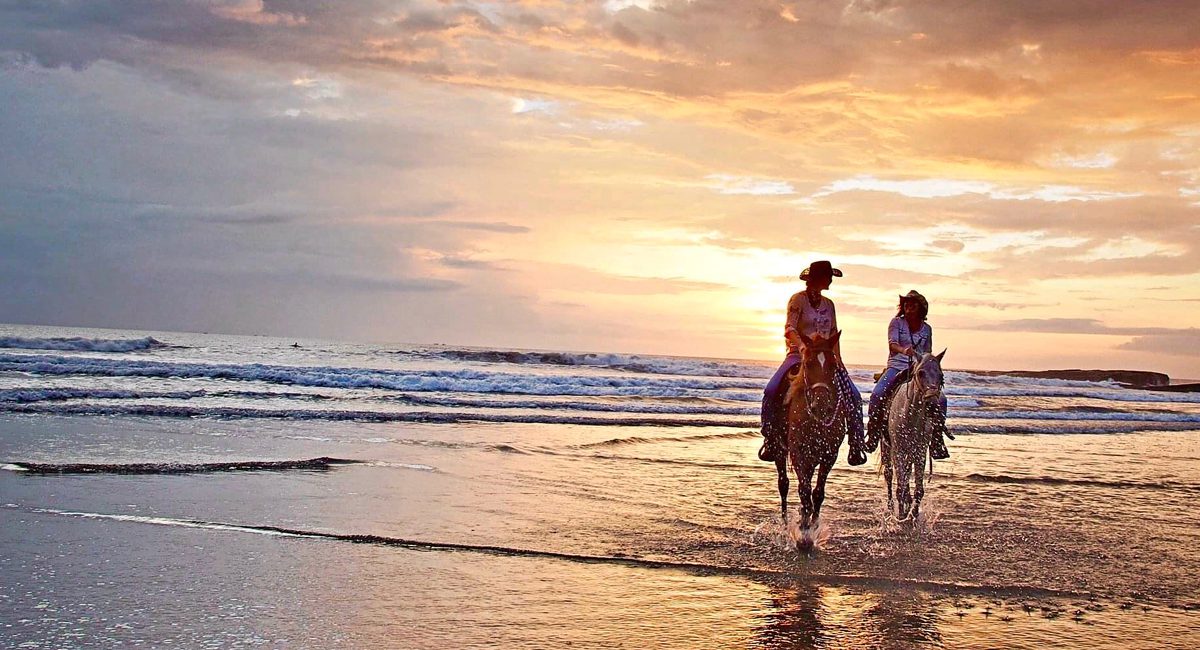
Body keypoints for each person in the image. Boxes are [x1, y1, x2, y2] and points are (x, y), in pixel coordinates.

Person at [758, 260, 867, 466]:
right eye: (828, 277)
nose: (831, 281)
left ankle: (856, 443)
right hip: (798, 355)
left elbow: (834, 334)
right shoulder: (798, 300)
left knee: (853, 395)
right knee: (771, 390)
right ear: (818, 278)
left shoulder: (829, 305)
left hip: (825, 357)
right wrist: (801, 347)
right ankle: (770, 437)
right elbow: (789, 329)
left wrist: (839, 361)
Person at [865, 290, 952, 459]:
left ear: (921, 308)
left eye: (913, 304)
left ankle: (937, 439)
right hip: (897, 367)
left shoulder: (927, 329)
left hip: (918, 371)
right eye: (906, 304)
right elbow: (892, 345)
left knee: (941, 399)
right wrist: (904, 350)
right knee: (878, 395)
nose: (909, 306)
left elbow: (927, 352)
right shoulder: (896, 323)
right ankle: (873, 434)